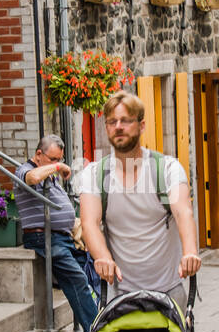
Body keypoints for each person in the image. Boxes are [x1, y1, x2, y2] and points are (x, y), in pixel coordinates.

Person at [79, 92, 201, 311]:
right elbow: (89, 223)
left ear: (141, 125)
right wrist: (102, 257)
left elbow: (183, 212)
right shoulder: (94, 174)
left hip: (168, 290)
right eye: (112, 121)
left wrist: (190, 252)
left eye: (125, 120)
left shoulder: (166, 169)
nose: (118, 126)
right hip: (120, 294)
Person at [15, 134, 99, 332]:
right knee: (77, 279)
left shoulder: (49, 175)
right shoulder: (24, 169)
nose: (56, 164)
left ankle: (101, 326)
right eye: (52, 159)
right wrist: (57, 167)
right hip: (43, 236)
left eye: (59, 159)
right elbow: (31, 178)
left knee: (96, 271)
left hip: (62, 237)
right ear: (38, 154)